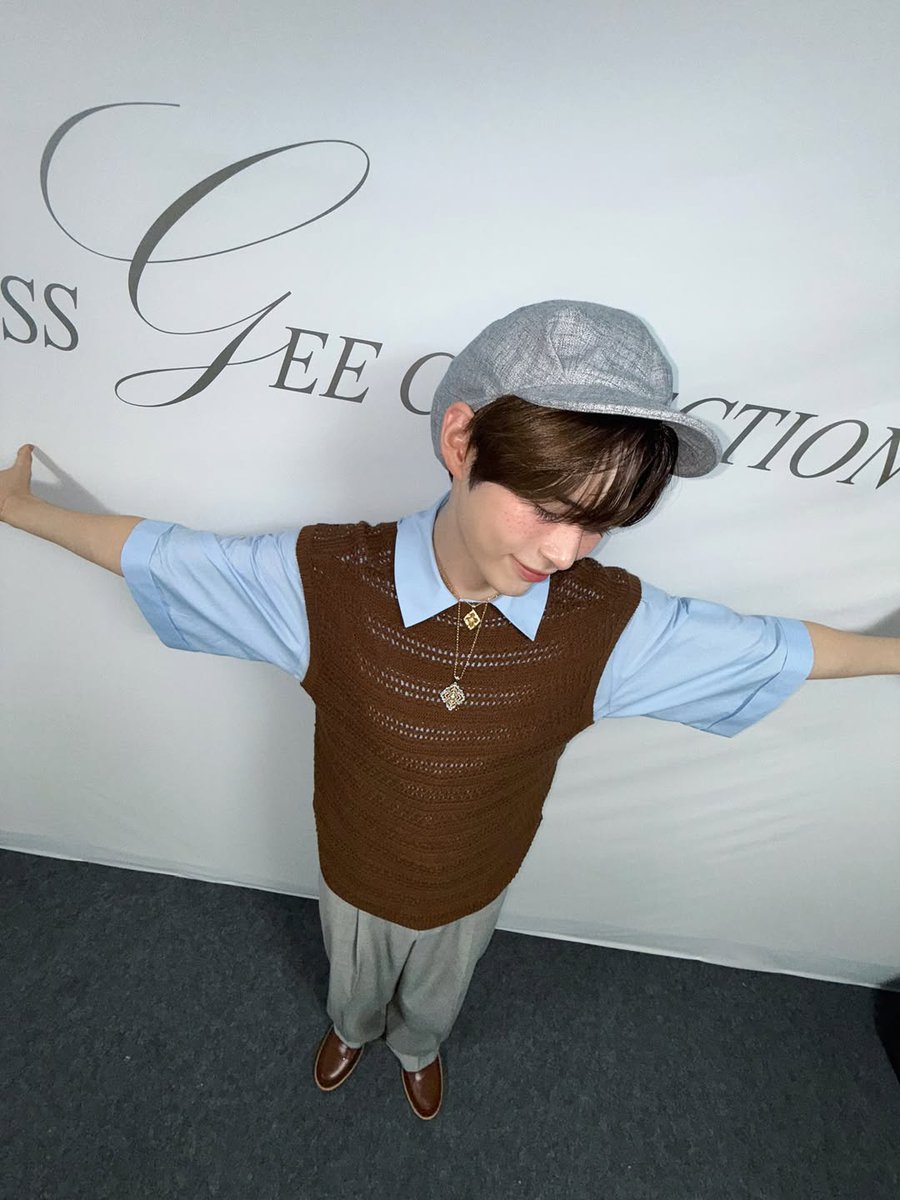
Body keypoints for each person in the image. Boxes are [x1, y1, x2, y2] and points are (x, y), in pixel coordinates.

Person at [2, 299, 897, 1123]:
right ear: (462, 440)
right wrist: (21, 512)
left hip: (480, 870)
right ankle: (352, 1032)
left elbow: (770, 646)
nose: (566, 549)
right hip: (354, 855)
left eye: (600, 524)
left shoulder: (608, 625)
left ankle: (420, 1046)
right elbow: (166, 556)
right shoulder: (324, 581)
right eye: (549, 508)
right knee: (352, 973)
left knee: (443, 981)